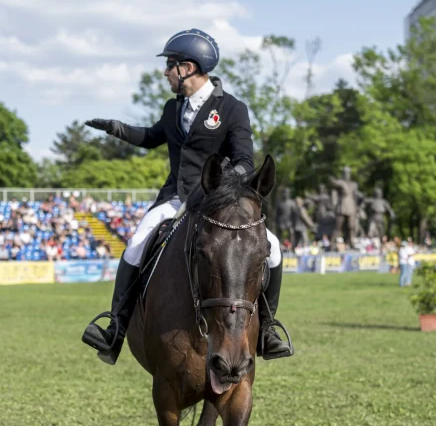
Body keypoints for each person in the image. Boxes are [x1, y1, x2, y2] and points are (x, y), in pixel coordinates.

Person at [80, 29, 293, 364]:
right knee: (136, 244)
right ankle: (115, 327)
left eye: (171, 66)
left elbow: (245, 162)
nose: (166, 73)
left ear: (190, 68)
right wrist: (115, 127)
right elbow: (150, 137)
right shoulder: (171, 108)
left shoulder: (232, 108)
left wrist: (219, 186)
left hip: (216, 200)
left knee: (274, 248)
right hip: (176, 198)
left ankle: (267, 329)